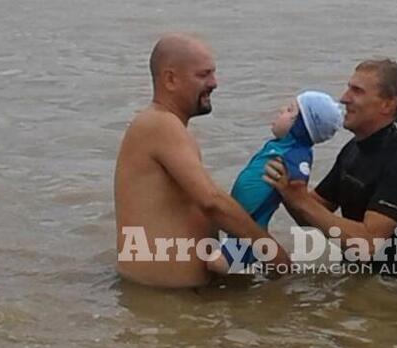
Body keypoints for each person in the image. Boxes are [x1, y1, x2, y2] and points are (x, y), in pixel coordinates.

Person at [114, 34, 290, 287]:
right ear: (171, 79)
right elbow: (212, 202)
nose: (214, 83)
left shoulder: (169, 127)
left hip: (177, 303)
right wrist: (272, 253)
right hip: (164, 307)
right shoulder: (159, 124)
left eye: (213, 73)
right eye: (203, 75)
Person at [264, 58, 397, 277]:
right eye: (348, 88)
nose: (344, 98)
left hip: (394, 290)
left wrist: (299, 199)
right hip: (355, 277)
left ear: (388, 104)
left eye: (357, 91)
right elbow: (311, 214)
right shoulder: (353, 149)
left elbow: (367, 243)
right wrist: (283, 184)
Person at [208, 90, 343, 273]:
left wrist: (295, 186)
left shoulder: (297, 153)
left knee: (216, 264)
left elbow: (298, 185)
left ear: (301, 127)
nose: (281, 110)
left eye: (289, 110)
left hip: (253, 221)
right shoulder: (279, 145)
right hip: (241, 215)